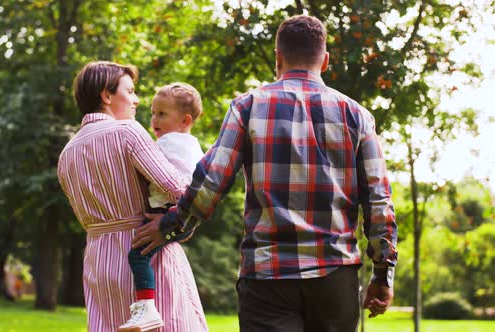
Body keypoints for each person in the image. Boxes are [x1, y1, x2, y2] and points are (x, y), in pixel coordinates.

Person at [133, 15, 398, 332]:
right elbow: (379, 202)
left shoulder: (248, 106)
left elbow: (212, 181)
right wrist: (383, 273)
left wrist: (172, 225)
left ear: (278, 57)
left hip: (267, 276)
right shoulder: (357, 115)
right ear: (325, 60)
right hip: (334, 278)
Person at [57, 61, 208, 332]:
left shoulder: (67, 153)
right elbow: (179, 189)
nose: (136, 100)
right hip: (145, 250)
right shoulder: (127, 131)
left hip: (97, 262)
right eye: (130, 91)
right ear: (106, 95)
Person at [120, 83, 204, 331]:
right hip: (183, 217)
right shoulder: (192, 144)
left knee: (138, 255)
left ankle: (146, 307)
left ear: (185, 120)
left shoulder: (168, 143)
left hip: (166, 214)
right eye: (153, 112)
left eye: (162, 114)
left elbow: (155, 171)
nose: (154, 119)